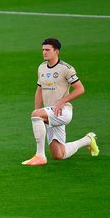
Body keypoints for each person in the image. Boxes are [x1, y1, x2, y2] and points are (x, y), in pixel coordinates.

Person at [22, 38, 99, 166]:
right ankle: (88, 139)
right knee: (59, 154)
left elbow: (80, 89)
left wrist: (62, 101)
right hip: (50, 113)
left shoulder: (66, 69)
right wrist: (38, 111)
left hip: (63, 111)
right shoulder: (41, 67)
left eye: (47, 50)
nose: (44, 52)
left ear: (56, 51)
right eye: (43, 50)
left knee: (36, 115)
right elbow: (39, 90)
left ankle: (40, 156)